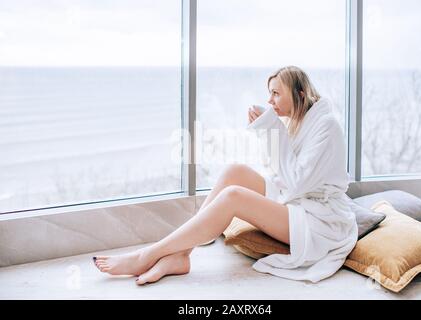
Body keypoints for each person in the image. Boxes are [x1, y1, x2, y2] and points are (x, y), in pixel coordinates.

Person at [93, 65, 358, 285]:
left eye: (276, 94)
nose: (270, 101)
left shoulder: (326, 126)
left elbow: (297, 182)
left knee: (233, 197)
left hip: (319, 222)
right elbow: (279, 171)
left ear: (299, 94)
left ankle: (147, 255)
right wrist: (269, 130)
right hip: (299, 201)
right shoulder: (299, 121)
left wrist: (272, 129)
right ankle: (181, 254)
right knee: (234, 171)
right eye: (269, 94)